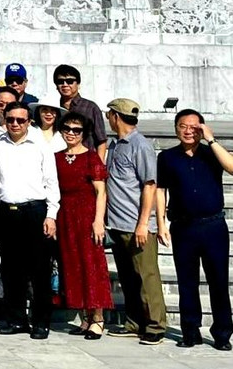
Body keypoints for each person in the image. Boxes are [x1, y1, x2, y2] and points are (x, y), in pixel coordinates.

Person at [156, 109, 233, 350]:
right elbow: (160, 190)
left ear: (201, 128)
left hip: (213, 226)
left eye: (194, 127)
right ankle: (190, 331)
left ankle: (222, 333)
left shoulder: (212, 153)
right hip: (183, 227)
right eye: (183, 126)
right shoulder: (167, 157)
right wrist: (160, 223)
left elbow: (232, 168)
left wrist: (211, 139)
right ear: (176, 129)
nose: (188, 131)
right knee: (186, 281)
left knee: (218, 281)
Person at [0, 97, 60, 339]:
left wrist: (51, 215)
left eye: (20, 120)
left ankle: (41, 322)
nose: (15, 124)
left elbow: (51, 182)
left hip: (35, 212)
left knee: (39, 271)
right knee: (10, 270)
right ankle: (16, 319)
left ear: (29, 121)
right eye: (10, 120)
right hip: (5, 212)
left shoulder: (40, 144)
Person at [104, 97, 167, 344]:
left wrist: (143, 224)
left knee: (146, 275)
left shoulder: (139, 145)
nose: (108, 119)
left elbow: (150, 185)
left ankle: (155, 325)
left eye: (109, 114)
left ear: (116, 117)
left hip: (136, 224)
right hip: (118, 223)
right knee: (128, 276)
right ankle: (134, 321)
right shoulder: (117, 144)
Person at [55, 111, 112, 340]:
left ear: (84, 133)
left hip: (86, 213)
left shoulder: (90, 157)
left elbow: (101, 191)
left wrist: (98, 221)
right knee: (71, 264)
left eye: (76, 130)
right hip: (64, 215)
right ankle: (83, 317)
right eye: (67, 129)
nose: (71, 133)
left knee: (91, 264)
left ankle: (97, 317)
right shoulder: (56, 157)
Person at [54, 65, 107, 157]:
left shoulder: (91, 108)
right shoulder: (53, 108)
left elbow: (101, 141)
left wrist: (99, 166)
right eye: (60, 81)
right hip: (60, 162)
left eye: (70, 81)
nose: (65, 84)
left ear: (78, 84)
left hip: (86, 162)